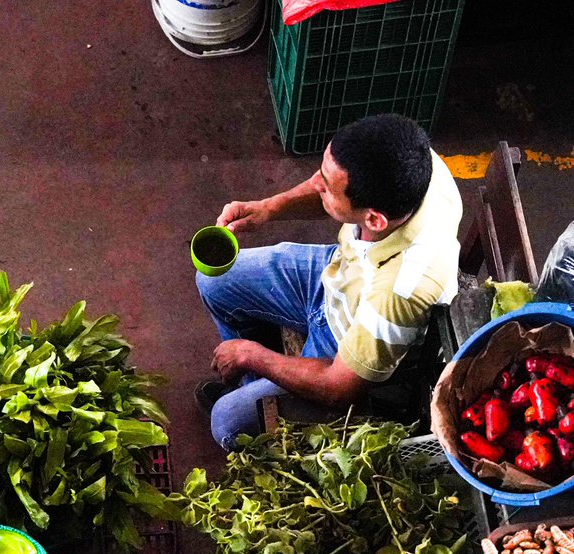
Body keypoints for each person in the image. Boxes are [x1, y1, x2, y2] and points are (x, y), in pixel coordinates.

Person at [194, 113, 463, 450]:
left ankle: (256, 385)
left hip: (351, 336)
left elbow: (339, 388)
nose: (316, 183)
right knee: (216, 281)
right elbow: (327, 183)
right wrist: (269, 208)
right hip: (340, 274)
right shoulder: (411, 160)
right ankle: (254, 386)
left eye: (327, 186)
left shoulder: (400, 291)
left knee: (227, 422)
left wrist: (252, 354)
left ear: (374, 220)